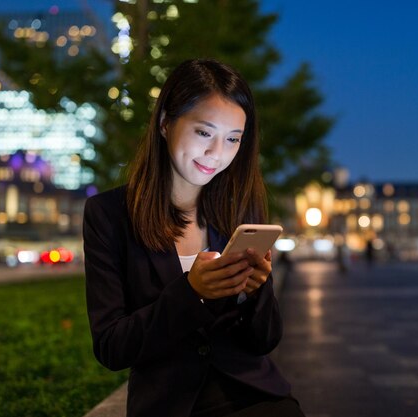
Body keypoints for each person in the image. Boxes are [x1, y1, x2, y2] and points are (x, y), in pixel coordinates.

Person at [83, 59, 304, 417]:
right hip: (171, 403)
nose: (217, 154)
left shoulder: (239, 213)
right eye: (204, 132)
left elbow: (264, 341)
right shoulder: (109, 215)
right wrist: (191, 293)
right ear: (165, 122)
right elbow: (111, 347)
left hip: (253, 394)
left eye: (233, 139)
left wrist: (256, 292)